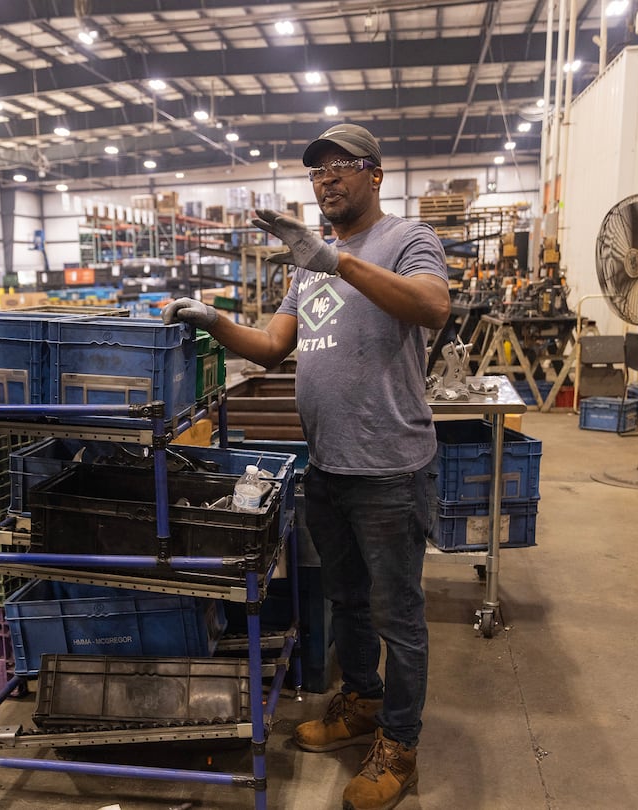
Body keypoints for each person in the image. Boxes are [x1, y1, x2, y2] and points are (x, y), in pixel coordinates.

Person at [163, 123, 450, 810]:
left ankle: (401, 745)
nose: (327, 181)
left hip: (390, 468)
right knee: (347, 601)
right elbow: (269, 348)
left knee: (398, 614)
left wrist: (334, 261)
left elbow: (434, 308)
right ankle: (362, 705)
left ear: (375, 174)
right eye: (317, 172)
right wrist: (212, 319)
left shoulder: (409, 240)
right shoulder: (305, 263)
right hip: (329, 465)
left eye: (341, 167)